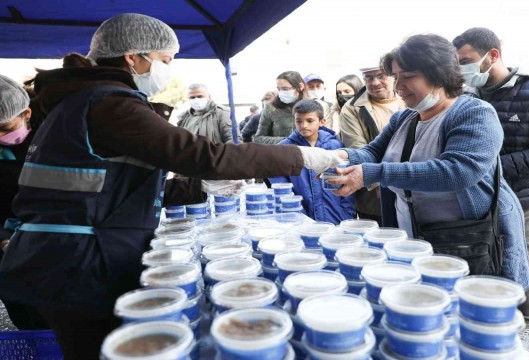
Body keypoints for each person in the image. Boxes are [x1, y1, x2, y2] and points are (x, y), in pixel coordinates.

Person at [0, 13, 341, 359]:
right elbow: (201, 155)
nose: (168, 70)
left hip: (69, 254)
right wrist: (296, 156)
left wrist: (200, 189)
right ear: (133, 57)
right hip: (77, 261)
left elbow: (120, 186)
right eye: (165, 60)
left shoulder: (83, 100)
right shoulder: (107, 103)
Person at [328, 33, 529, 293]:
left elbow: (458, 171)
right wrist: (336, 158)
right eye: (396, 76)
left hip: (466, 240)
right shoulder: (404, 118)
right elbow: (373, 153)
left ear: (439, 74)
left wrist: (372, 174)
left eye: (409, 76)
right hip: (415, 237)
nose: (398, 86)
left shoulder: (475, 113)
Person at [453, 27, 529, 351]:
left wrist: (496, 168)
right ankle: (489, 317)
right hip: (476, 198)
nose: (462, 69)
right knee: (482, 257)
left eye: (466, 61)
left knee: (520, 258)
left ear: (492, 56)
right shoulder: (467, 95)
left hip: (519, 197)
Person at [0, 74, 50, 331]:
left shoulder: (55, 136)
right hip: (9, 247)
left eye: (5, 128)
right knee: (28, 317)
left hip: (56, 239)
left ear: (26, 113)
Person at [270, 100, 355, 224]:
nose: (304, 125)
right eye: (299, 121)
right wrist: (298, 218)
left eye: (310, 121)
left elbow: (347, 187)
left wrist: (346, 215)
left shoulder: (336, 147)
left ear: (322, 122)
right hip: (299, 221)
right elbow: (281, 191)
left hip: (335, 218)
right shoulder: (283, 150)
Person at [339, 63, 405, 225]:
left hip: (411, 185)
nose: (375, 82)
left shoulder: (408, 100)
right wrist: (377, 182)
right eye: (368, 77)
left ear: (393, 76)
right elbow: (358, 147)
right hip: (373, 194)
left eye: (381, 76)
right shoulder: (352, 108)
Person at [254, 71, 309, 144]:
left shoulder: (313, 107)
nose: (281, 92)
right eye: (279, 89)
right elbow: (258, 138)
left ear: (300, 87)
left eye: (285, 89)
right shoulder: (271, 108)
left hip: (307, 153)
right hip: (280, 153)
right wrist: (287, 141)